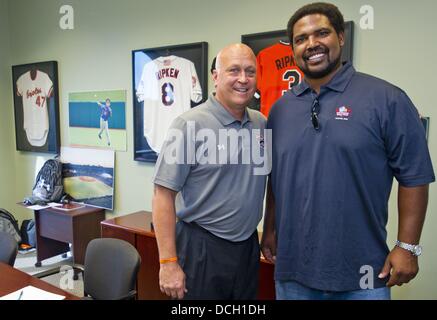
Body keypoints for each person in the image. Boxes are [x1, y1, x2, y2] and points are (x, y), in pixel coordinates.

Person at [261, 2, 434, 300]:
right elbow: (275, 177)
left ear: (341, 37)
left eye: (322, 33)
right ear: (293, 49)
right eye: (301, 39)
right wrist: (270, 228)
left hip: (363, 274)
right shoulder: (280, 110)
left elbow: (414, 175)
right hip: (292, 272)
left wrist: (407, 246)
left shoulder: (386, 99)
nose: (311, 44)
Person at [152, 43, 269, 299]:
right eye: (234, 70)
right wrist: (168, 262)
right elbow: (162, 195)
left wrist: (268, 230)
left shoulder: (261, 124)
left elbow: (267, 183)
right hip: (201, 248)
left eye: (250, 71)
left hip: (247, 246)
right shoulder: (187, 125)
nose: (243, 79)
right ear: (215, 76)